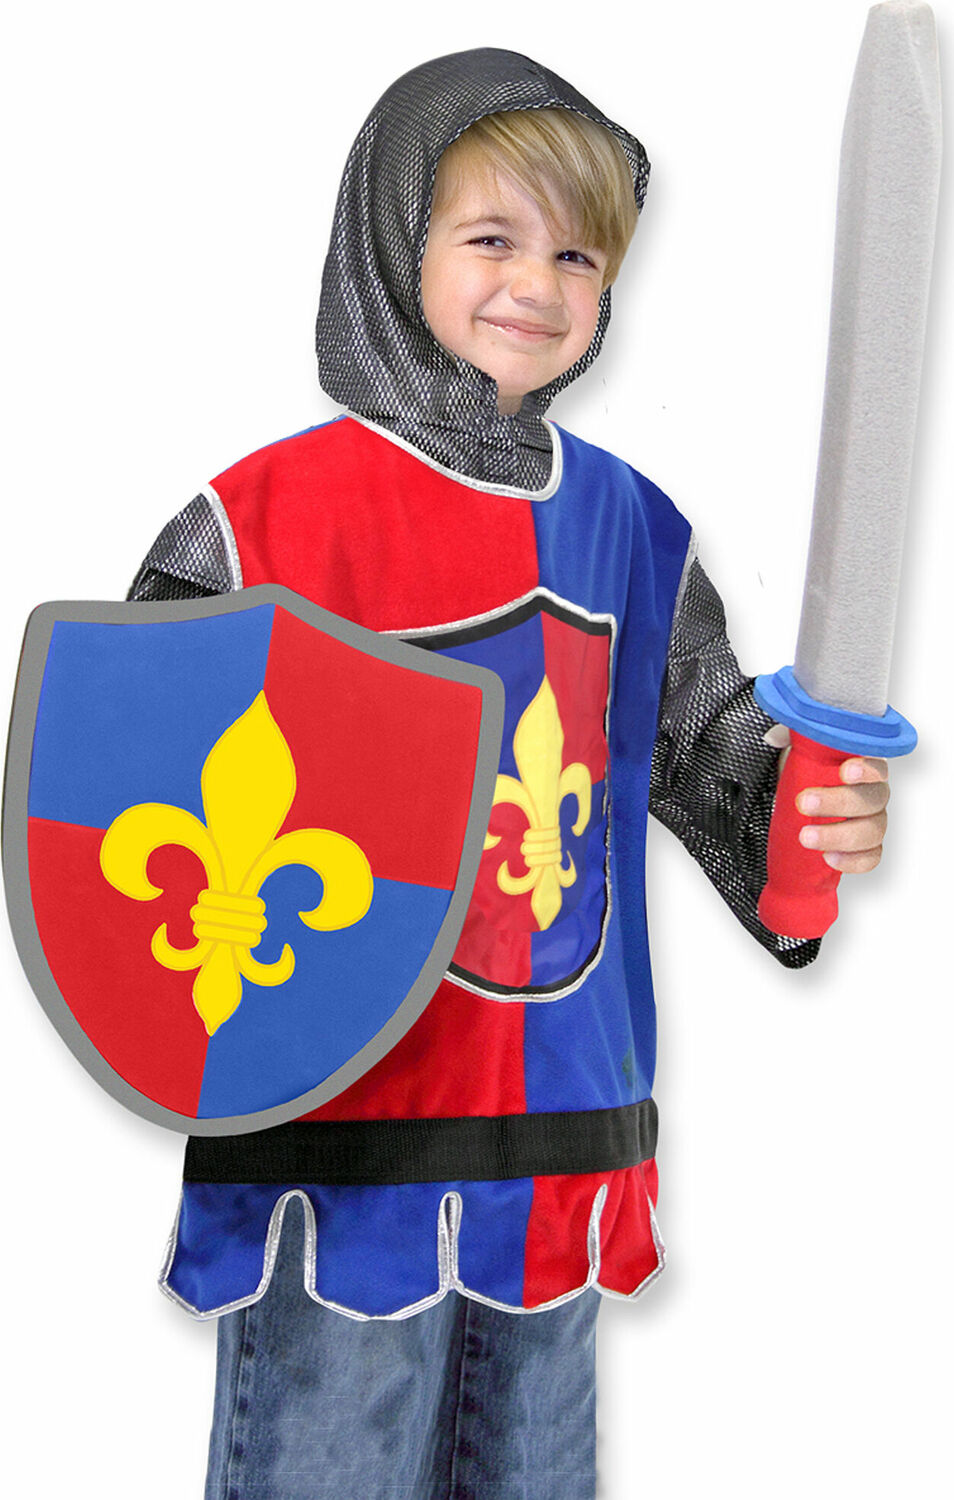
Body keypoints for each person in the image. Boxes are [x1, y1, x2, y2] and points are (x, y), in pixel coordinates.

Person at [128, 49, 889, 1500]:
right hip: (338, 1138)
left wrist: (803, 811)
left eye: (578, 253)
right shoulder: (268, 516)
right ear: (388, 233)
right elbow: (125, 808)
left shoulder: (630, 528)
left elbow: (714, 760)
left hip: (557, 1130)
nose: (537, 282)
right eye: (489, 237)